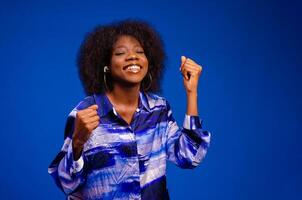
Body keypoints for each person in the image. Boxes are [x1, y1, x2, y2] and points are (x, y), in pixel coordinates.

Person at [48, 19, 211, 200]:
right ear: (106, 66)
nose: (133, 56)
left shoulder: (159, 110)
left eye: (140, 51)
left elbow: (189, 157)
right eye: (120, 52)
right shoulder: (86, 112)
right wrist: (77, 142)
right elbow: (66, 184)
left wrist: (191, 92)